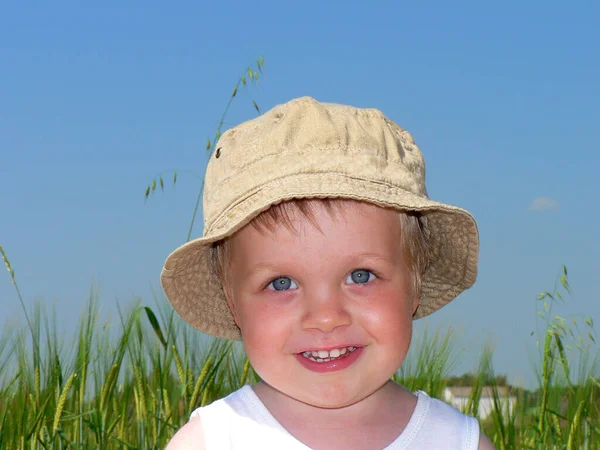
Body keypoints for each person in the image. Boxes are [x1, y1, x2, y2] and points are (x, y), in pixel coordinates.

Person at [161, 96, 495, 449]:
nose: (325, 318)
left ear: (414, 283)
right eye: (281, 283)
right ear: (233, 303)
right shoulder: (211, 441)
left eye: (361, 276)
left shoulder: (459, 442)